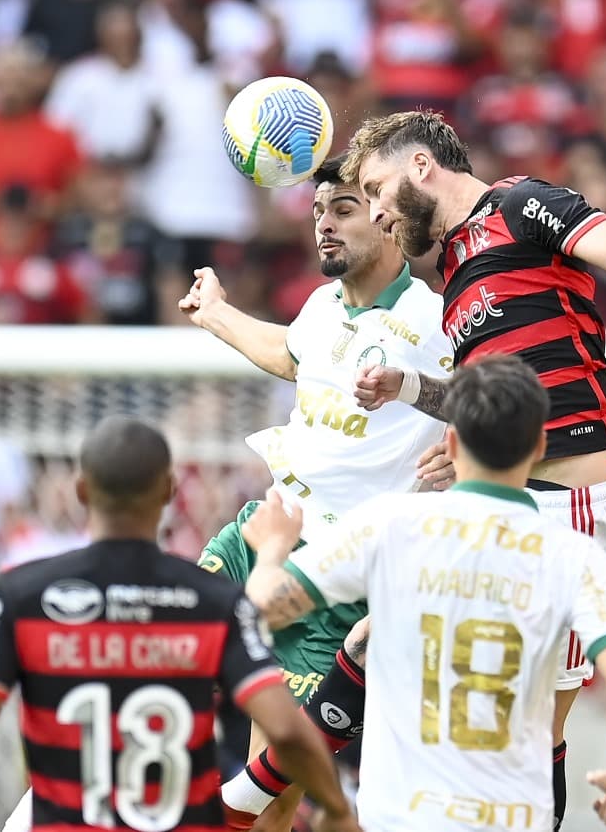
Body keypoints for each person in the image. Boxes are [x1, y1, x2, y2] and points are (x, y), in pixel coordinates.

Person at [338, 109, 606, 829]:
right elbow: (495, 404)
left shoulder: (519, 205)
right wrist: (411, 391)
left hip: (569, 505)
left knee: (531, 731)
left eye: (379, 189)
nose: (380, 214)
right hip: (514, 502)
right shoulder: (453, 273)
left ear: (422, 166)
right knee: (390, 651)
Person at [241, 356, 606, 832]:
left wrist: (273, 549)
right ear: (539, 443)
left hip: (401, 818)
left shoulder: (390, 525)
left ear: (452, 442)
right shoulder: (574, 557)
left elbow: (263, 609)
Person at [181, 154, 453, 831]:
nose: (324, 227)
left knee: (270, 796)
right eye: (317, 214)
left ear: (387, 221)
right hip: (265, 530)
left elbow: (493, 403)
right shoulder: (322, 305)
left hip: (340, 577)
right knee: (155, 661)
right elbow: (295, 355)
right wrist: (216, 314)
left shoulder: (432, 320)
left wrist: (461, 456)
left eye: (343, 211)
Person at [0, 416, 360, 832]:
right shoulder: (210, 600)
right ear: (169, 492)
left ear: (82, 491)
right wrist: (337, 809)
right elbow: (286, 730)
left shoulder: (21, 592)